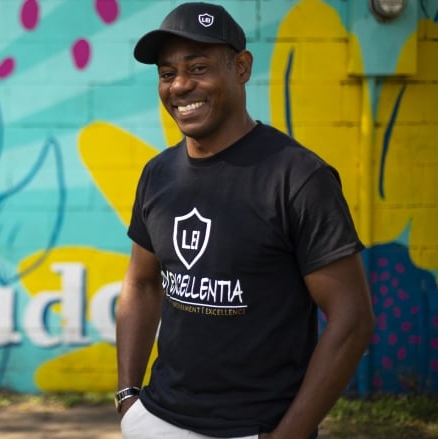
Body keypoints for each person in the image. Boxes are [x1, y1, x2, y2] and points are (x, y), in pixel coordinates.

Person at [114, 2, 376, 439]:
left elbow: (352, 318)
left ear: (241, 67)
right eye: (167, 74)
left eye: (198, 68)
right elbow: (141, 283)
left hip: (254, 428)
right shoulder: (158, 174)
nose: (180, 85)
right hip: (156, 420)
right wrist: (128, 399)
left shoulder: (298, 177)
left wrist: (289, 433)